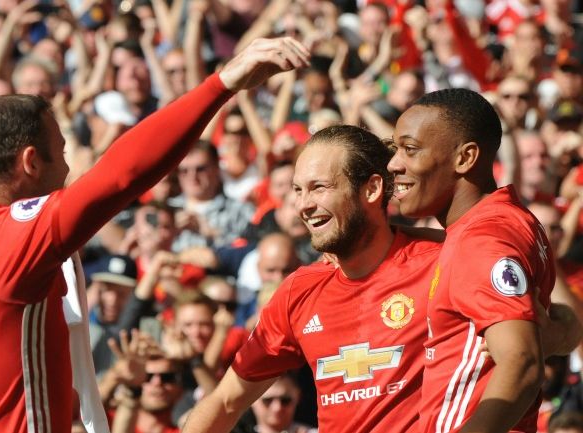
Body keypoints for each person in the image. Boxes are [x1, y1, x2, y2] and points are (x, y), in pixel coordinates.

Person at [0, 13, 309, 433]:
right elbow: (124, 174)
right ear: (30, 161)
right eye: (63, 152)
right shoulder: (12, 239)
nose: (69, 170)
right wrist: (222, 83)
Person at [182, 125, 440, 433]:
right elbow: (225, 401)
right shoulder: (298, 290)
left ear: (371, 189)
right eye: (297, 190)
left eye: (319, 187)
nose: (303, 205)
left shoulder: (442, 263)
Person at [388, 88, 555, 432]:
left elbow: (522, 363)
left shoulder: (482, 239)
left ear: (465, 158)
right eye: (395, 149)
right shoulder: (508, 219)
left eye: (410, 149)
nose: (393, 164)